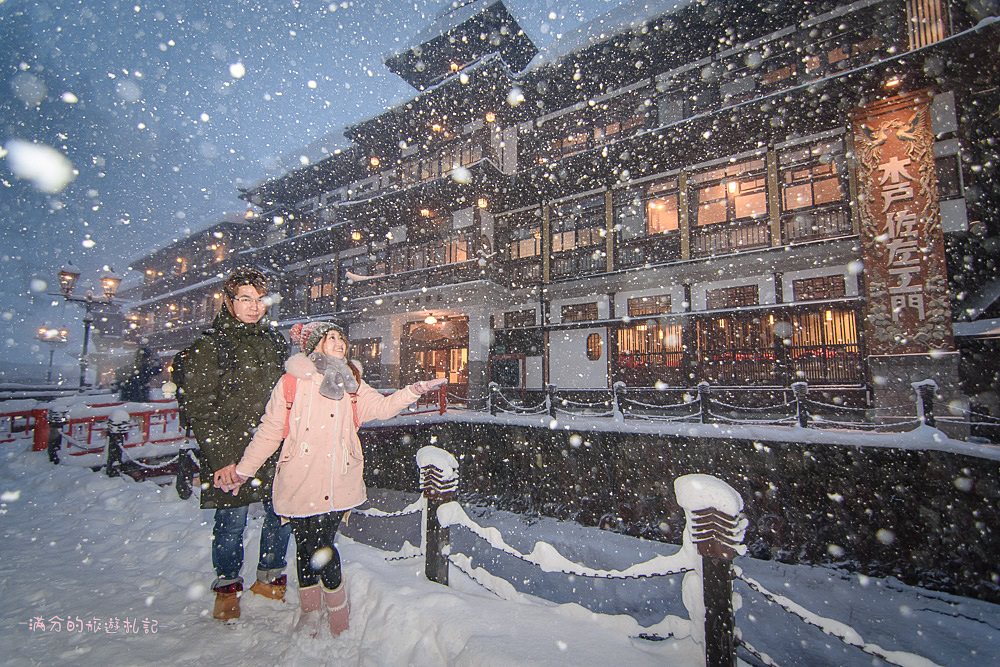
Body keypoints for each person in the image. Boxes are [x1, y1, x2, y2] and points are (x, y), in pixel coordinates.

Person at [214, 320, 446, 638]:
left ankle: (338, 612)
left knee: (323, 545)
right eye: (331, 337)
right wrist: (243, 471)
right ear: (314, 345)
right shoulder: (292, 382)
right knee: (305, 545)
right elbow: (270, 431)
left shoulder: (352, 382)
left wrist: (413, 391)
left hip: (338, 479)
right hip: (299, 477)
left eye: (341, 337)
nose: (339, 342)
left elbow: (382, 408)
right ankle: (310, 609)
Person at [183, 266, 292, 621]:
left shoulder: (276, 342)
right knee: (231, 521)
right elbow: (200, 407)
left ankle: (270, 578)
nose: (253, 307)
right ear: (229, 302)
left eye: (260, 300)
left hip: (273, 444)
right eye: (245, 299)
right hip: (230, 447)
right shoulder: (211, 344)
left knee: (282, 513)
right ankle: (228, 587)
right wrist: (220, 460)